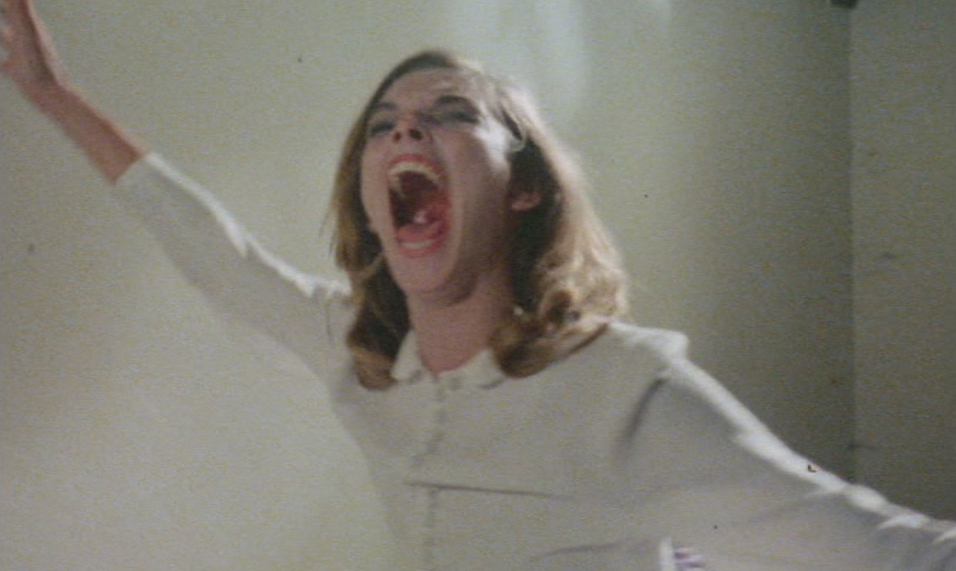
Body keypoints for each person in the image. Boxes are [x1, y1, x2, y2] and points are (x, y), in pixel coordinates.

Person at [3, 1, 955, 569]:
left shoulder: (622, 392)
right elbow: (219, 258)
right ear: (370, 198)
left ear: (525, 187)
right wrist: (54, 96)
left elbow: (885, 548)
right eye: (385, 124)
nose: (406, 131)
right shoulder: (364, 357)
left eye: (450, 113)